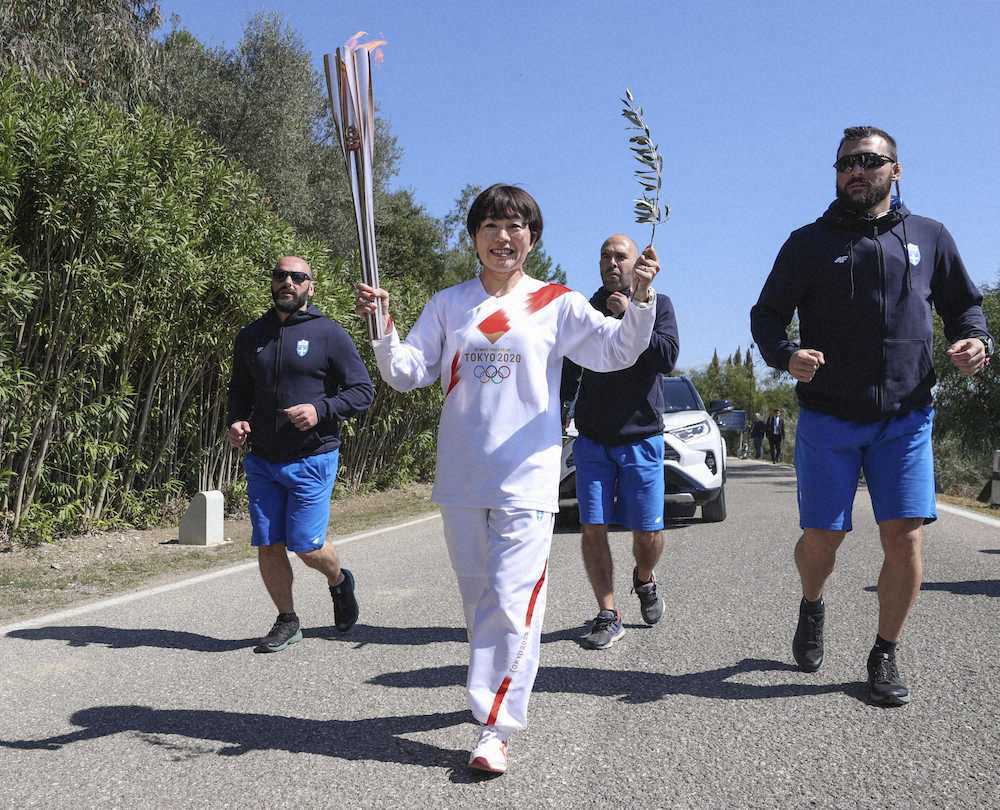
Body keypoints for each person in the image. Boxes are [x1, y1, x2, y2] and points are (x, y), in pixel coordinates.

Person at [355, 185, 659, 774]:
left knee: (514, 601)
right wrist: (383, 329)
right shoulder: (449, 304)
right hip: (463, 476)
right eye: (491, 225)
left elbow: (615, 351)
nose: (503, 236)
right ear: (473, 237)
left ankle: (495, 726)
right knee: (480, 602)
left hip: (528, 477)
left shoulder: (556, 302)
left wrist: (640, 300)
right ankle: (492, 686)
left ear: (533, 239)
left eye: (516, 226)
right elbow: (407, 372)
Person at [751, 126, 993, 707]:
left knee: (903, 536)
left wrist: (976, 341)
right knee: (823, 537)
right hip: (828, 417)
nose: (855, 172)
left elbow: (965, 306)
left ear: (896, 169)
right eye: (844, 165)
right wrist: (786, 356)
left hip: (906, 416)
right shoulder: (807, 242)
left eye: (867, 161)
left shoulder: (930, 236)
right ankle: (813, 605)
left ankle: (884, 651)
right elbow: (766, 315)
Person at [227, 256, 374, 654]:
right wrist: (237, 420)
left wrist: (319, 410)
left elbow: (363, 391)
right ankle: (287, 620)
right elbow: (239, 390)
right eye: (280, 276)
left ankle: (339, 580)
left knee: (307, 545)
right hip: (262, 459)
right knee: (269, 543)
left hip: (312, 457)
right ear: (272, 283)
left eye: (297, 277)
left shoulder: (329, 333)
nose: (287, 282)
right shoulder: (251, 335)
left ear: (311, 285)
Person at [560, 234, 679, 650]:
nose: (611, 262)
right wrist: (562, 405)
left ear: (637, 262)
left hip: (641, 437)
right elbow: (570, 366)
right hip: (592, 438)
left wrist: (633, 312)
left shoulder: (658, 304)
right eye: (604, 256)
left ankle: (644, 578)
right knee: (593, 526)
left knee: (648, 533)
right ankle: (608, 612)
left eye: (619, 256)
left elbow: (667, 358)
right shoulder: (585, 309)